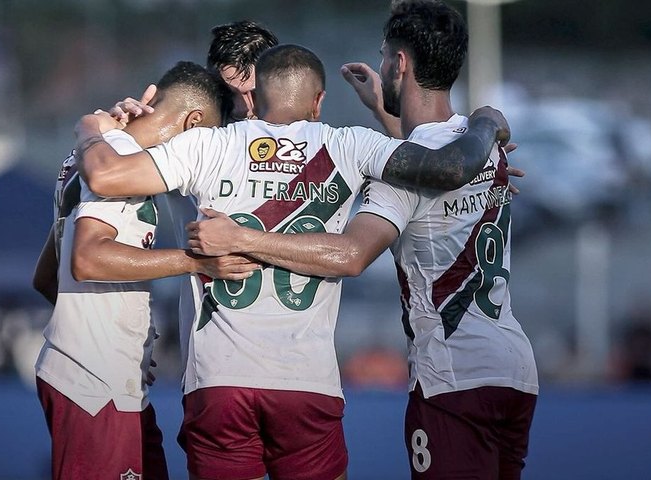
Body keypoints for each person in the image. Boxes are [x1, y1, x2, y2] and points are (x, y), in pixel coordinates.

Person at [74, 43, 509, 480]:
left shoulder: (204, 145)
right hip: (306, 383)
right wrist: (487, 128)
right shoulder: (350, 144)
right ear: (318, 101)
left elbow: (106, 174)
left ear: (256, 99)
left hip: (218, 381)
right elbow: (444, 166)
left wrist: (92, 127)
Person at [186, 2, 539, 479]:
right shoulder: (484, 149)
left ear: (399, 65)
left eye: (384, 56)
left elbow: (351, 254)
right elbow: (428, 158)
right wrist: (406, 112)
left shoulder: (412, 173)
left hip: (452, 374)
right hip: (513, 367)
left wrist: (240, 237)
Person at [31, 61, 259, 480]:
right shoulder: (124, 164)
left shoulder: (89, 155)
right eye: (206, 141)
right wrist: (198, 261)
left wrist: (118, 336)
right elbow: (87, 258)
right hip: (96, 385)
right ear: (194, 124)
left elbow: (48, 276)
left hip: (103, 376)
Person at [106, 21, 280, 365]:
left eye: (255, 92)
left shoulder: (312, 147)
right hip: (211, 359)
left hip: (292, 355)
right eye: (233, 93)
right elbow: (106, 171)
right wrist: (116, 129)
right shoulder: (191, 145)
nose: (247, 107)